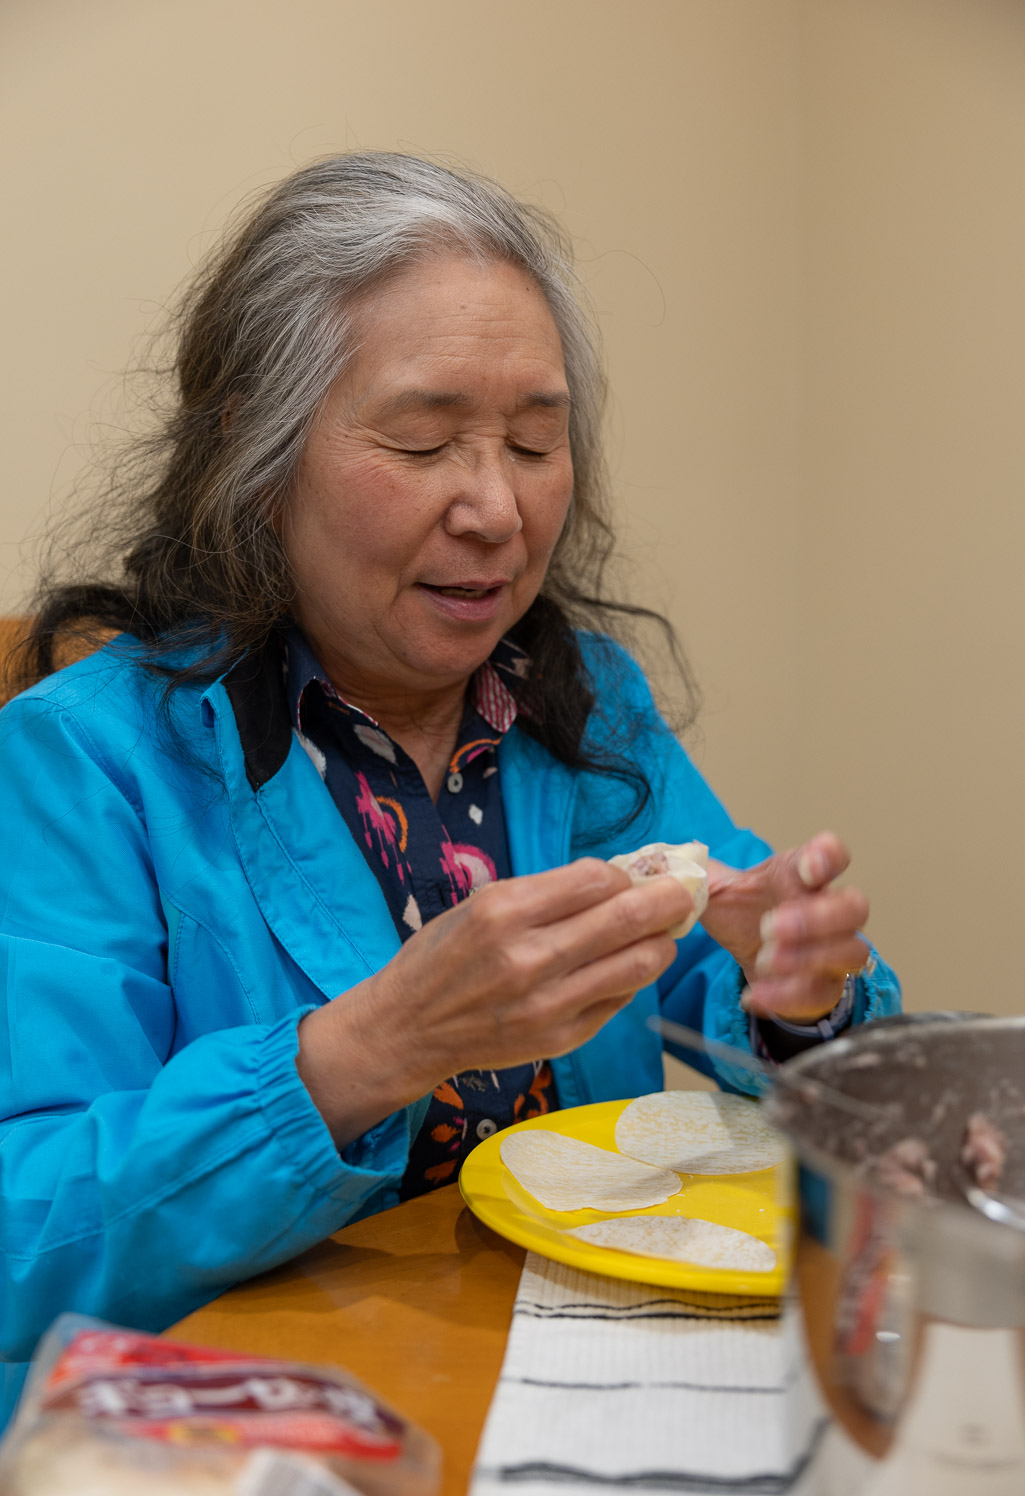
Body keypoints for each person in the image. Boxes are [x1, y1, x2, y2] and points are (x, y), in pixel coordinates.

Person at [0, 153, 900, 1421]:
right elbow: (20, 1231)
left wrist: (794, 995)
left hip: (576, 1387)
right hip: (241, 1430)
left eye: (535, 442)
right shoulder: (86, 762)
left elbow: (751, 1001)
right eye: (423, 441)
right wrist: (371, 1049)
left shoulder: (579, 700)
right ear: (251, 457)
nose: (496, 508)